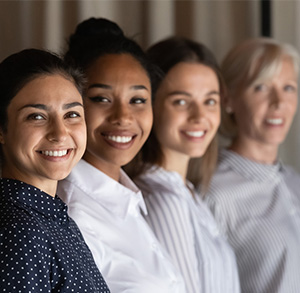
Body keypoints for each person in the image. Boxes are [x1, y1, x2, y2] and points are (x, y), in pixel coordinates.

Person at [57, 18, 186, 293]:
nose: (123, 117)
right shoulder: (73, 216)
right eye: (102, 99)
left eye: (138, 100)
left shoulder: (129, 202)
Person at [126, 36, 240, 293]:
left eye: (209, 101)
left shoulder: (187, 191)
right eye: (181, 101)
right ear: (150, 105)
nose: (199, 116)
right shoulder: (164, 199)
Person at [0, 48, 110, 292]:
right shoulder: (22, 232)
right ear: (2, 130)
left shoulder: (52, 217)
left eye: (72, 114)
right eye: (36, 117)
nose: (60, 134)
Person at [205, 37, 300, 293]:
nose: (279, 102)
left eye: (288, 88)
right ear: (229, 99)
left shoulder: (294, 182)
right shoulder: (214, 192)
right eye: (261, 87)